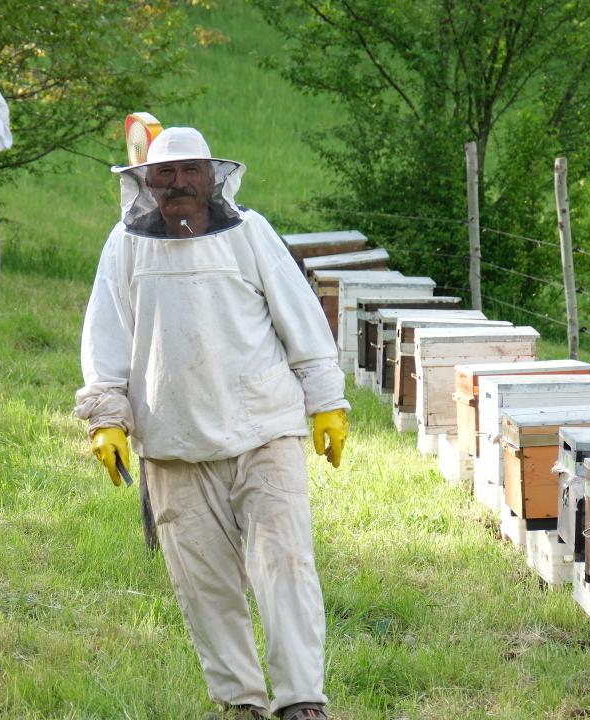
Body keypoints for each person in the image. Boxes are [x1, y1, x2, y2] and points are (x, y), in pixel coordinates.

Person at [74, 127, 348, 720]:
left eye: (189, 172)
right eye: (165, 175)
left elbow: (300, 316)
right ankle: (240, 703)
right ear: (146, 182)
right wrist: (107, 418)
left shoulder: (250, 233)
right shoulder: (124, 246)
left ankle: (302, 700)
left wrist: (325, 399)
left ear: (211, 177)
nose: (177, 184)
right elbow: (106, 341)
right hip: (173, 444)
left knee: (286, 565)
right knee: (204, 584)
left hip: (264, 430)